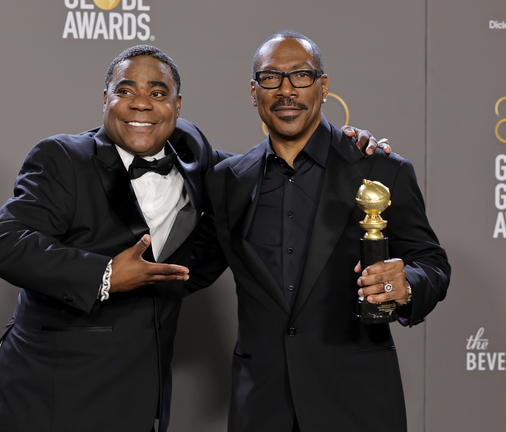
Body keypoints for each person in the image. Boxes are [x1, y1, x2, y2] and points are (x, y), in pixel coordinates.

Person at [0, 44, 389, 432]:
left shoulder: (195, 154)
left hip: (138, 401)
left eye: (158, 92)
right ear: (105, 99)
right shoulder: (63, 157)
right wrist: (104, 274)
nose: (141, 103)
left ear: (176, 106)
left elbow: (272, 166)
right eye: (125, 90)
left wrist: (347, 144)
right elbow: (5, 245)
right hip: (47, 398)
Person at [192, 31, 451, 431]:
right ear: (253, 90)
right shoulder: (227, 180)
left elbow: (432, 263)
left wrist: (409, 285)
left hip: (357, 403)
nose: (286, 91)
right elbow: (191, 268)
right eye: (271, 78)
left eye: (301, 76)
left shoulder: (380, 168)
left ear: (323, 86)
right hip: (261, 406)